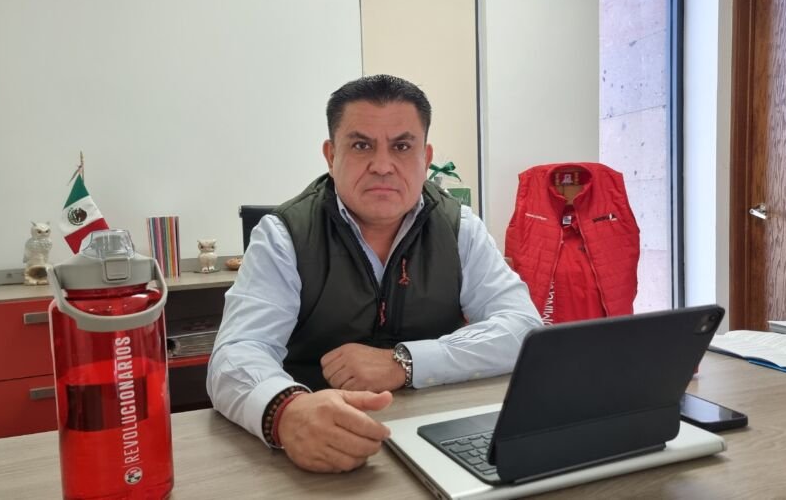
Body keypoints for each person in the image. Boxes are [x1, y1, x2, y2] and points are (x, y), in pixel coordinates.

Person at [207, 74, 541, 473]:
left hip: (439, 434)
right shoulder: (284, 235)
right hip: (319, 441)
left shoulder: (459, 227)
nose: (382, 166)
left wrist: (405, 362)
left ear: (425, 157)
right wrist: (286, 410)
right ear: (331, 155)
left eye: (402, 146)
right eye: (361, 145)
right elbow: (236, 354)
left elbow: (522, 328)